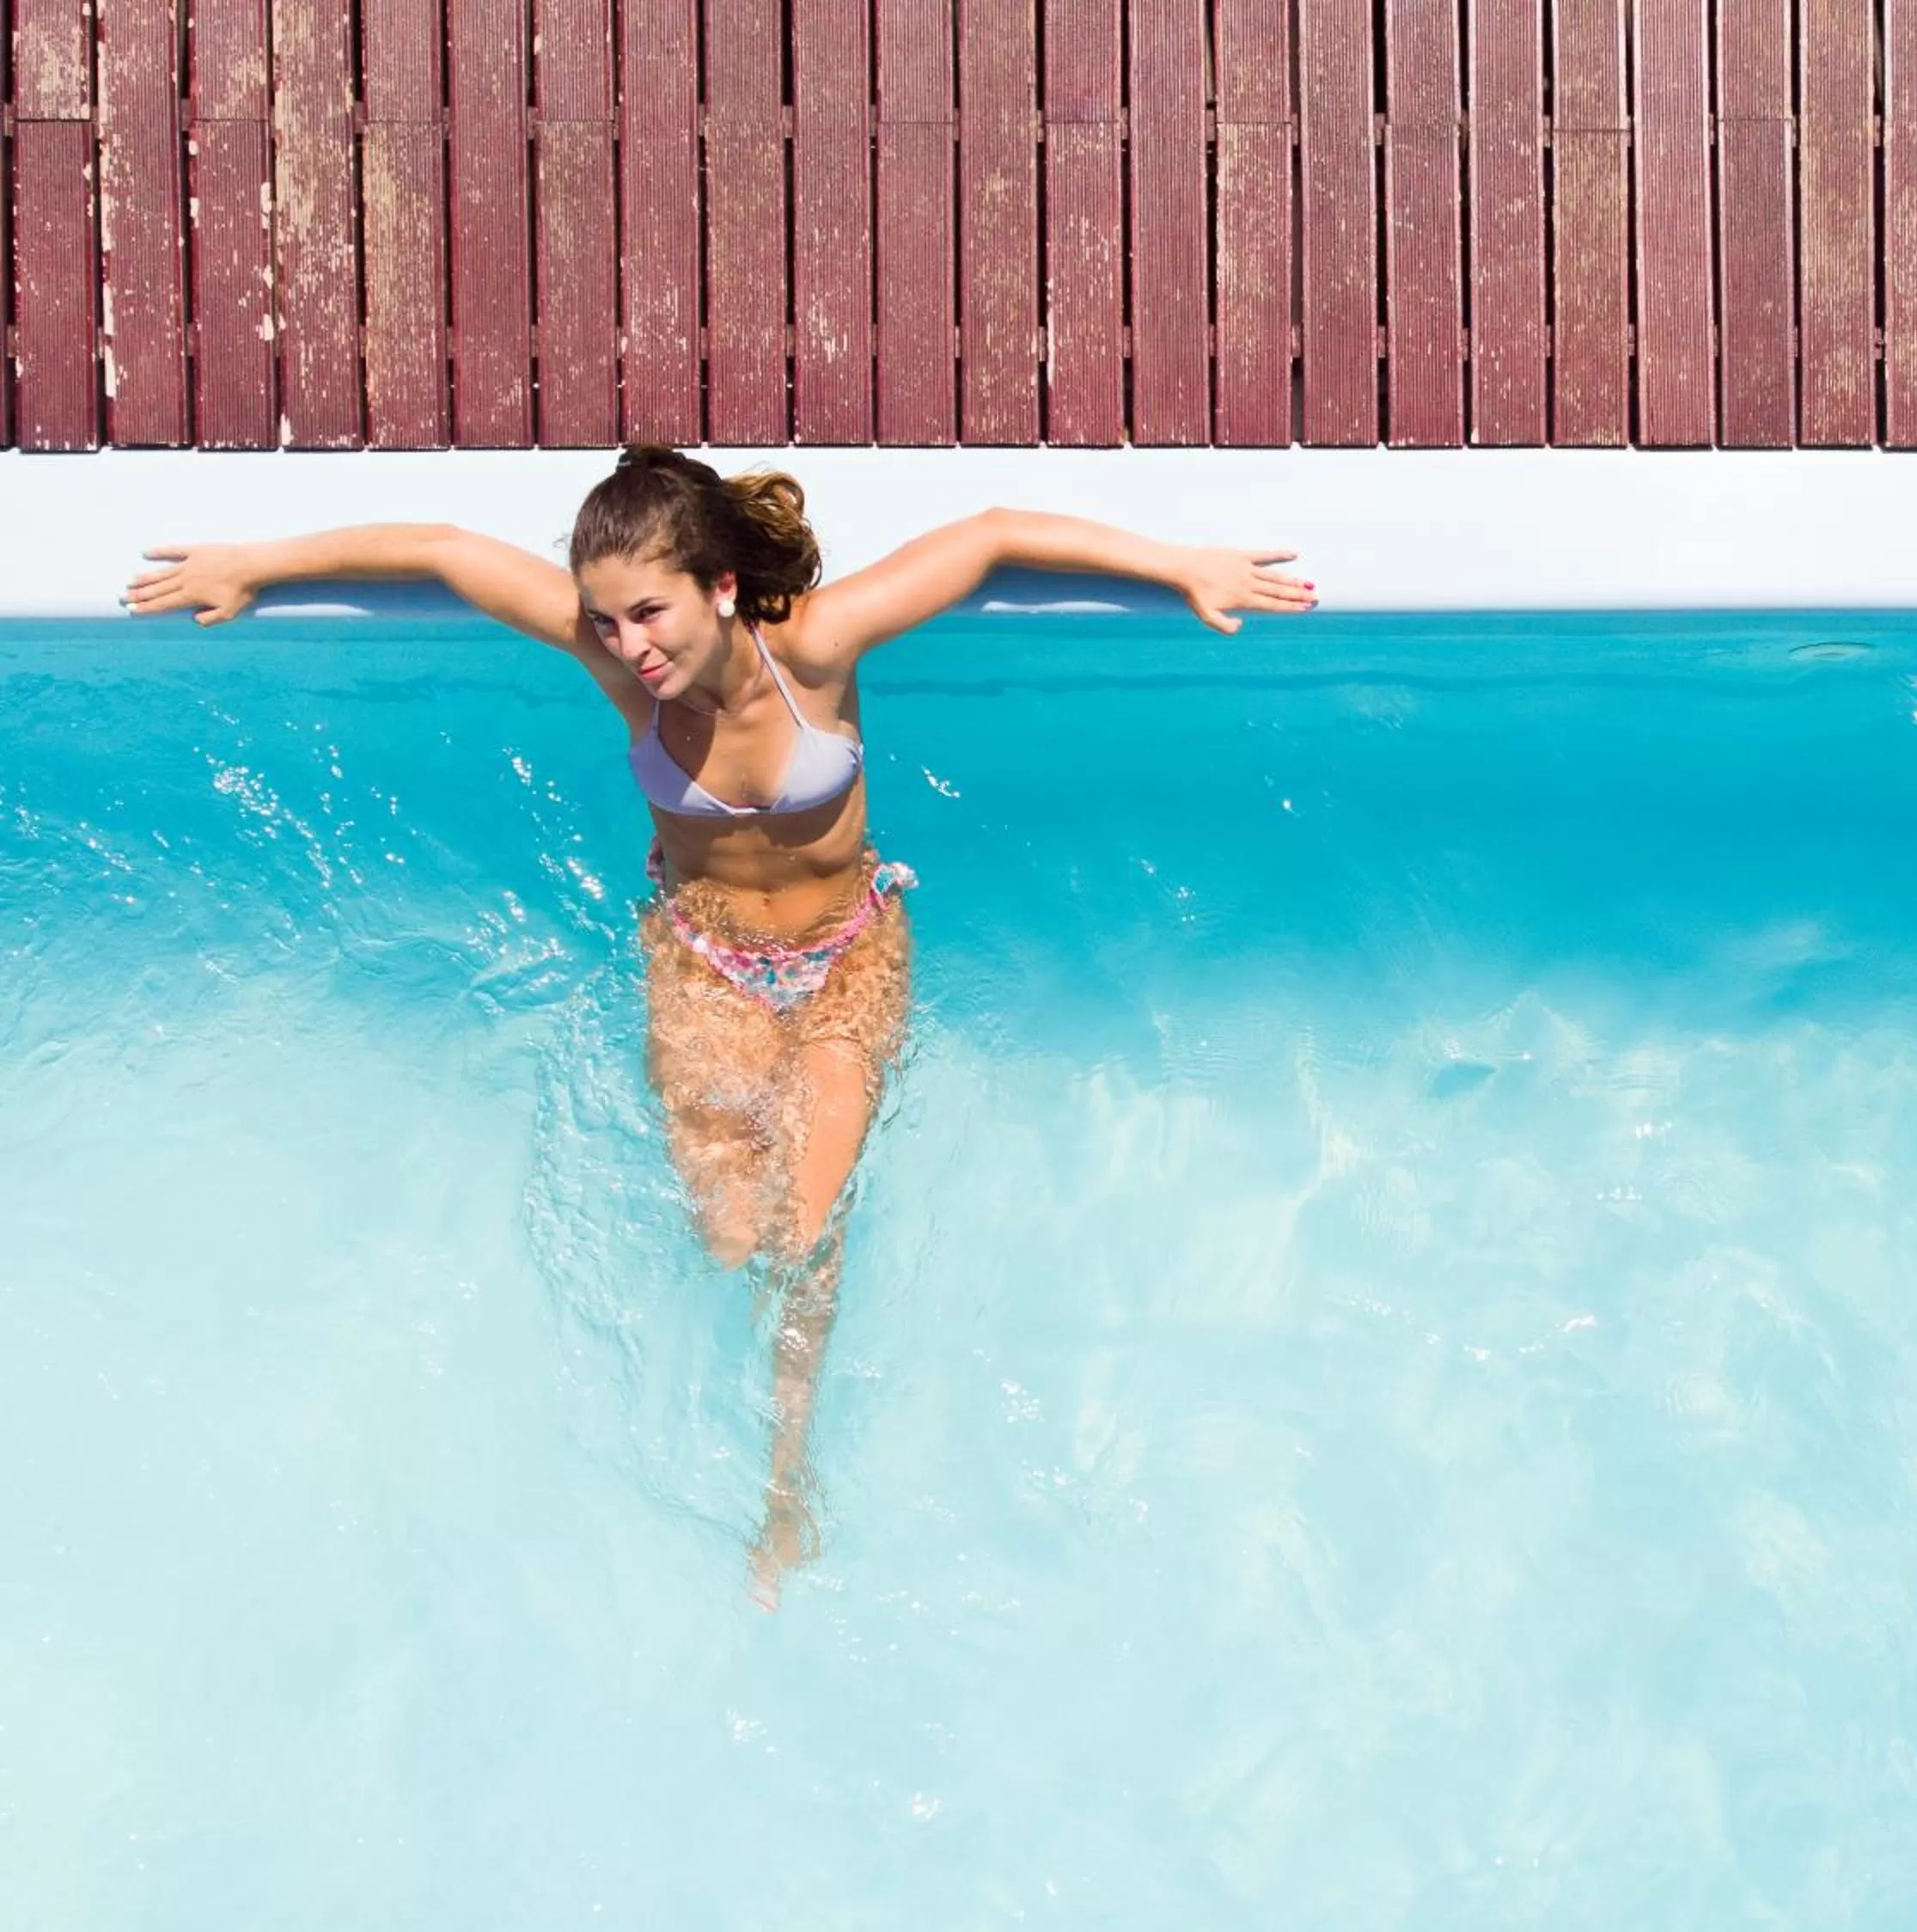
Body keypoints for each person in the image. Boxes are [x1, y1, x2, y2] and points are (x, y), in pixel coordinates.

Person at [124, 446, 1316, 1605]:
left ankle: (786, 1495)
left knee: (805, 1234)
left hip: (849, 958)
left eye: (649, 614)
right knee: (731, 1242)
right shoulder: (616, 669)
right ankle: (758, 1406)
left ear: (723, 588)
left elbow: (995, 531)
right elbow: (441, 550)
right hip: (704, 966)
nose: (628, 647)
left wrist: (1183, 567)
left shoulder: (816, 647)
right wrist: (254, 565)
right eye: (604, 624)